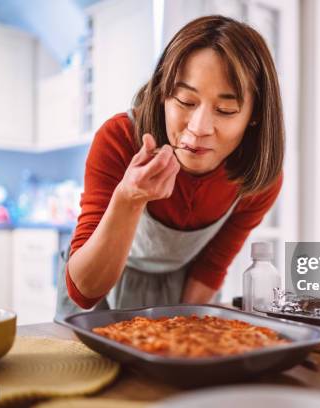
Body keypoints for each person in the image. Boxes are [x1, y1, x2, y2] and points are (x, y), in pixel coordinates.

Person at [56, 15, 284, 319]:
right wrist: (129, 199)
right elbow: (84, 291)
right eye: (186, 101)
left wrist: (179, 329)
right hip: (100, 290)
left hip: (182, 292)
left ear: (254, 115)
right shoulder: (120, 139)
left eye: (226, 110)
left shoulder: (255, 180)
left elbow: (211, 266)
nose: (199, 127)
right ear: (163, 92)